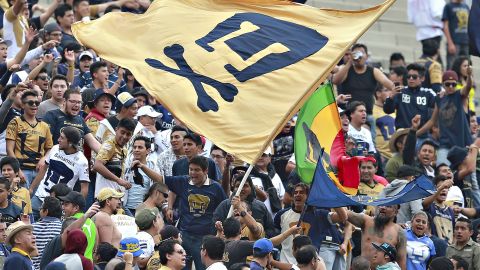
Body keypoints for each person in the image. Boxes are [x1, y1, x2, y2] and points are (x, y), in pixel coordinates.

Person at [153, 155, 227, 270]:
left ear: (205, 171)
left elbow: (224, 207)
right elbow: (160, 179)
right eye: (191, 169)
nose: (193, 173)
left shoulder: (216, 188)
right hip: (185, 236)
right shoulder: (183, 181)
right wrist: (142, 166)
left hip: (204, 238)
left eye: (196, 170)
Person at [30, 126, 89, 220]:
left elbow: (84, 188)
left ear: (70, 143)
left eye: (62, 138)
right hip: (40, 196)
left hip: (58, 204)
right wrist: (32, 188)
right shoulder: (55, 148)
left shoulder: (82, 161)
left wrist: (76, 207)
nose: (58, 140)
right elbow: (44, 169)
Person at [418, 69, 473, 166]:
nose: (451, 87)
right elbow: (432, 121)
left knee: (464, 176)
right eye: (448, 84)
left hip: (462, 144)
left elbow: (468, 87)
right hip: (445, 144)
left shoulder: (459, 95)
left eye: (453, 84)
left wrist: (469, 75)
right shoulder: (439, 98)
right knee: (442, 171)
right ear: (443, 84)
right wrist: (415, 133)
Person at [333, 43, 394, 122]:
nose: (359, 56)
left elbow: (389, 84)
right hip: (349, 116)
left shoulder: (374, 71)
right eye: (356, 53)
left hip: (367, 115)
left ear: (367, 56)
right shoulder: (346, 69)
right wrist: (349, 62)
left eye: (361, 53)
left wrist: (396, 89)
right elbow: (336, 81)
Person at [6, 90, 53, 187]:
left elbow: (49, 148)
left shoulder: (44, 126)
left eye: (37, 103)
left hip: (39, 171)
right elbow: (9, 150)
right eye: (31, 103)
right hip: (22, 169)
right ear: (23, 105)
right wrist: (17, 170)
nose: (34, 105)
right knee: (21, 201)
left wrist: (44, 158)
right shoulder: (15, 122)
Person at [384, 63, 436, 133]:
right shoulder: (399, 92)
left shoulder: (428, 93)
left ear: (422, 78)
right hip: (402, 134)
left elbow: (440, 105)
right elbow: (387, 110)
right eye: (408, 76)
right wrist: (391, 97)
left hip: (421, 135)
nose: (411, 79)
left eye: (414, 77)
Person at [93, 118, 136, 196]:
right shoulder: (109, 145)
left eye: (128, 134)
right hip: (104, 198)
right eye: (122, 132)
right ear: (116, 130)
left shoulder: (124, 150)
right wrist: (118, 180)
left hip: (116, 196)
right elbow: (97, 165)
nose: (124, 136)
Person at [125, 136, 162, 214]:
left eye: (140, 147)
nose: (136, 150)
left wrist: (142, 166)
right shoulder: (126, 165)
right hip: (126, 209)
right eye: (134, 147)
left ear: (148, 151)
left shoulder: (153, 167)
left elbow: (160, 181)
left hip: (145, 211)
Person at [59, 191, 97, 260]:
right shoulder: (91, 222)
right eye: (63, 204)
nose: (62, 207)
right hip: (88, 264)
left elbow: (62, 245)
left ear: (76, 208)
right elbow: (95, 247)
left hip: (76, 263)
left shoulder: (71, 222)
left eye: (66, 205)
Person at [422, 175, 456, 244]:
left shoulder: (450, 211)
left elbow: (454, 233)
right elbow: (424, 203)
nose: (443, 189)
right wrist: (441, 188)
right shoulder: (430, 205)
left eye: (446, 187)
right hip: (434, 247)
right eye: (440, 187)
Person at [32, 196, 63, 269]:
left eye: (41, 208)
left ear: (46, 212)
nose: (39, 210)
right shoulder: (62, 228)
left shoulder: (33, 227)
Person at [442, 0, 470, 68]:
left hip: (466, 42)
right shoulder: (448, 6)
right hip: (454, 43)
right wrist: (450, 43)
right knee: (451, 66)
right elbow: (445, 26)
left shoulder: (466, 6)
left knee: (467, 67)